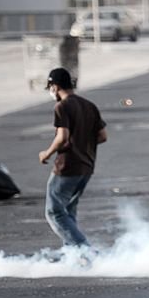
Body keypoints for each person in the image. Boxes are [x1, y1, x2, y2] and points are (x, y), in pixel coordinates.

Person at [37, 67, 106, 250]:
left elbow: (62, 137)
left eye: (50, 87)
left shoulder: (62, 106)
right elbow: (102, 136)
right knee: (68, 211)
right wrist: (83, 144)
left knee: (54, 212)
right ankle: (72, 256)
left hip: (67, 167)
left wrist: (47, 153)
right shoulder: (89, 105)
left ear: (55, 86)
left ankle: (84, 251)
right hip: (87, 167)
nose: (51, 91)